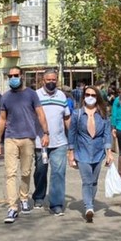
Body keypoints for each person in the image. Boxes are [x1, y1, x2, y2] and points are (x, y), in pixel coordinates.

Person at [0, 66, 48, 224]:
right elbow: (2, 119)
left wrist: (46, 133)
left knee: (25, 172)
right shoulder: (5, 97)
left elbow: (40, 114)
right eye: (10, 76)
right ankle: (12, 207)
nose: (13, 78)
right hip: (10, 138)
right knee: (10, 174)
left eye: (15, 75)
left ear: (22, 76)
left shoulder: (31, 94)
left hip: (28, 138)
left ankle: (24, 197)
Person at [67, 86, 115, 222]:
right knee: (87, 180)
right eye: (87, 94)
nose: (90, 97)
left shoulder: (103, 114)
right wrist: (71, 153)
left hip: (98, 153)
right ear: (83, 96)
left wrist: (109, 152)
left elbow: (106, 135)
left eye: (93, 95)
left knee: (94, 181)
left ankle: (91, 203)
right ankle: (88, 207)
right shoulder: (77, 114)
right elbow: (72, 133)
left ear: (97, 97)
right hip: (82, 152)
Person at [32, 69, 71, 214]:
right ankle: (39, 196)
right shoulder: (35, 95)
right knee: (41, 171)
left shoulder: (61, 95)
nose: (51, 82)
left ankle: (56, 203)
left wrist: (72, 136)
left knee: (59, 173)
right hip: (40, 141)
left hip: (60, 142)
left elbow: (66, 117)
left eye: (54, 80)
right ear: (43, 81)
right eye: (48, 80)